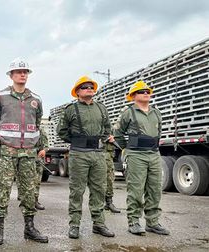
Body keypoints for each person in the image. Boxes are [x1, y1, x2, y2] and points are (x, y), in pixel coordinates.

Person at [0, 57, 48, 245]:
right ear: (12, 75)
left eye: (25, 72)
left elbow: (37, 123)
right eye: (19, 72)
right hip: (8, 151)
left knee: (29, 192)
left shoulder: (36, 99)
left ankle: (29, 228)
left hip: (29, 153)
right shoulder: (1, 96)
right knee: (3, 191)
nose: (22, 74)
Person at [57, 76, 115, 239]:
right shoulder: (71, 109)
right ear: (77, 92)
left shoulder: (101, 108)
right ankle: (74, 224)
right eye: (84, 87)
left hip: (98, 154)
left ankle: (99, 224)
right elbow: (62, 131)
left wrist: (98, 141)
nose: (89, 88)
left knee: (99, 189)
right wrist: (78, 141)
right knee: (77, 190)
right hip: (79, 154)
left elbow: (107, 128)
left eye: (91, 86)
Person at [114, 80, 170, 236]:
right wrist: (126, 148)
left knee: (155, 189)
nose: (146, 93)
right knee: (136, 189)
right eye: (141, 91)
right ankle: (134, 221)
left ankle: (152, 222)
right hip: (136, 155)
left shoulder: (156, 112)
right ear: (133, 96)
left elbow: (157, 133)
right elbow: (117, 133)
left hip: (153, 154)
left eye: (147, 91)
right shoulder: (128, 112)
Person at [104, 142, 121, 213]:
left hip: (109, 154)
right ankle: (101, 204)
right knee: (104, 180)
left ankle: (109, 202)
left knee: (110, 179)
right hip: (102, 153)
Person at [34, 128, 48, 210]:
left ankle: (35, 201)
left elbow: (46, 146)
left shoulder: (41, 131)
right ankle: (25, 201)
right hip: (26, 159)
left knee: (37, 181)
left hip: (38, 159)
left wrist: (44, 150)